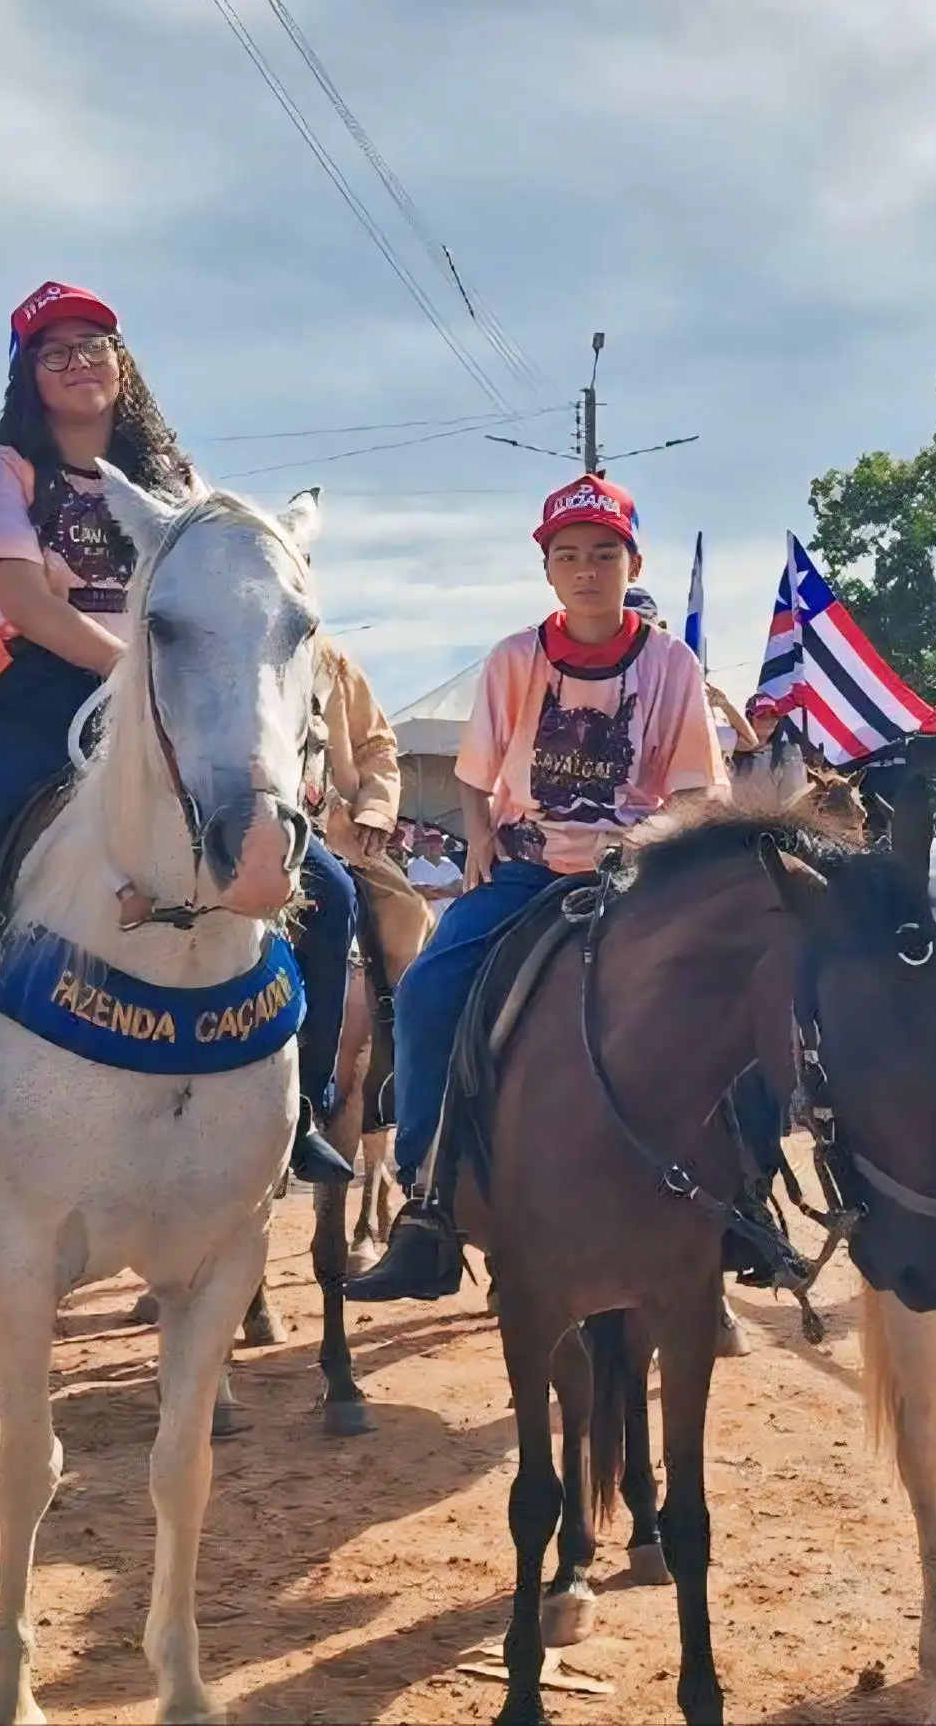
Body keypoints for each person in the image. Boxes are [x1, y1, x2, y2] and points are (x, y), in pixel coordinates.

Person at [0, 281, 359, 1186]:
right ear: (29, 372)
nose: (78, 363)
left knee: (330, 895)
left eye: (94, 343)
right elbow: (21, 600)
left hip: (167, 702)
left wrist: (167, 692)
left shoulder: (179, 483)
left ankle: (301, 1113)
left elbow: (229, 592)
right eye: (54, 350)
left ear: (122, 358)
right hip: (43, 700)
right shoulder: (3, 472)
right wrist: (132, 675)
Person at [346, 472, 729, 1301]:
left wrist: (653, 856)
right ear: (548, 570)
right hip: (525, 870)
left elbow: (697, 789)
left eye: (603, 552)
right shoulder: (516, 658)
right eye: (568, 555)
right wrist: (481, 836)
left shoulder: (671, 663)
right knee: (427, 991)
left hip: (637, 873)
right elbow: (479, 775)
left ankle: (742, 1199)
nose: (587, 569)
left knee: (737, 991)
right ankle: (427, 1198)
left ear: (632, 560)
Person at [312, 635, 433, 1041]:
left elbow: (377, 744)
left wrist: (374, 813)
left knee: (406, 914)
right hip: (264, 823)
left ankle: (400, 1064)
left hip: (344, 832)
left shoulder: (332, 661)